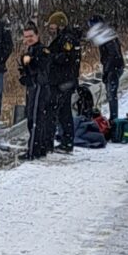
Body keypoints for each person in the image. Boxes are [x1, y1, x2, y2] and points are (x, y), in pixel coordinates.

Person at [45, 11, 82, 154]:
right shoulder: (65, 37)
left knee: (60, 112)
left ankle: (65, 142)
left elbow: (67, 58)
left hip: (64, 81)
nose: (51, 27)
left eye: (53, 24)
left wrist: (51, 57)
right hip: (64, 81)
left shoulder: (67, 39)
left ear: (60, 24)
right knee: (63, 112)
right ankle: (66, 141)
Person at [17, 22, 53, 159]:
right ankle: (40, 148)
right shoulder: (30, 50)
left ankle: (33, 151)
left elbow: (43, 66)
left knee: (35, 119)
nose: (28, 39)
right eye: (26, 37)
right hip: (33, 86)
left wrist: (31, 61)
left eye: (31, 36)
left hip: (39, 87)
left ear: (37, 35)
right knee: (34, 117)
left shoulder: (42, 50)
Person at [86, 15, 125, 122]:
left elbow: (112, 55)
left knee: (111, 94)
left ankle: (114, 120)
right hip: (114, 67)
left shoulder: (106, 36)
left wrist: (108, 71)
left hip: (114, 67)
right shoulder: (106, 35)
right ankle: (113, 118)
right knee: (110, 93)